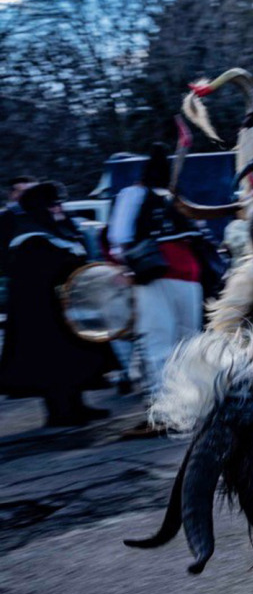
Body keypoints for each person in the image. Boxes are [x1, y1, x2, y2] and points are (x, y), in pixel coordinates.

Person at [0, 182, 117, 426]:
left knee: (74, 361)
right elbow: (39, 278)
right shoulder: (29, 237)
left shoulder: (59, 230)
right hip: (43, 317)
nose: (58, 208)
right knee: (51, 365)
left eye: (58, 203)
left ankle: (78, 405)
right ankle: (59, 413)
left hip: (65, 310)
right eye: (53, 204)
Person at [108, 145, 205, 434]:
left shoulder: (134, 194)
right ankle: (193, 405)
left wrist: (123, 266)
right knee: (187, 343)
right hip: (190, 273)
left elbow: (120, 235)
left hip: (154, 272)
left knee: (158, 345)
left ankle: (165, 412)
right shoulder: (176, 197)